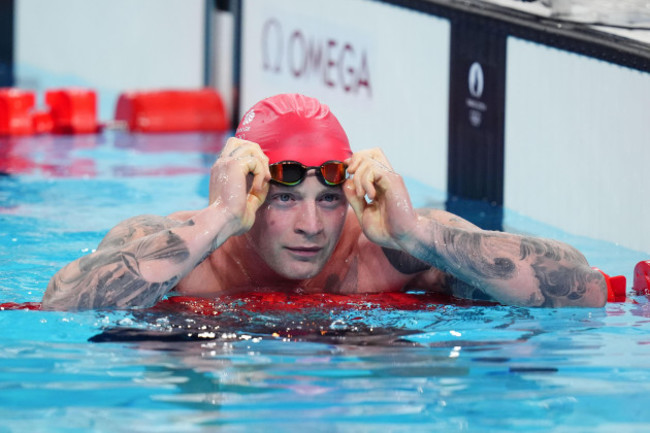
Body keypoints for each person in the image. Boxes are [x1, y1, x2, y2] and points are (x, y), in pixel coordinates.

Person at [41, 93, 607, 310]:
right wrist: (217, 220)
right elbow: (62, 307)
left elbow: (583, 291)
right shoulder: (182, 251)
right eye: (285, 200)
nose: (312, 225)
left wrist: (416, 234)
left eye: (330, 200)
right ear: (249, 192)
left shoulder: (390, 249)